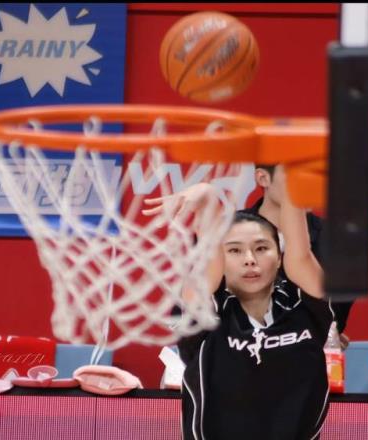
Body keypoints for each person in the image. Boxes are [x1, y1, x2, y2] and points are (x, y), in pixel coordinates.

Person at [143, 166, 333, 439]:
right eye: (234, 250)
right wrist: (208, 197)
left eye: (261, 248)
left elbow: (300, 255)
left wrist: (294, 179)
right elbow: (208, 261)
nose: (249, 259)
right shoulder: (207, 313)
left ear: (279, 257)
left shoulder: (302, 306)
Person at [246, 163, 353, 349]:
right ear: (263, 178)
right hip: (240, 357)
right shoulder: (229, 234)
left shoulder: (337, 240)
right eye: (294, 174)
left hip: (307, 359)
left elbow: (332, 321)